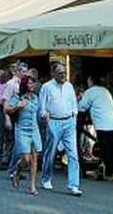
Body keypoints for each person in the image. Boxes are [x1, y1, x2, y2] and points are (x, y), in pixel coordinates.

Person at [39, 62, 82, 197]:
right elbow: (41, 107)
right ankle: (46, 177)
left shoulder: (69, 86)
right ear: (53, 74)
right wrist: (45, 116)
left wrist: (74, 114)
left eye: (65, 72)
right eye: (60, 72)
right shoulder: (46, 87)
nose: (64, 75)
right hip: (54, 123)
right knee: (50, 153)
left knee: (73, 154)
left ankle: (73, 185)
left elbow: (73, 102)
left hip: (69, 122)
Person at [79, 74, 113, 181]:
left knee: (105, 147)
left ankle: (103, 168)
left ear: (91, 81)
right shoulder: (105, 91)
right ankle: (108, 170)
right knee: (111, 147)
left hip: (102, 123)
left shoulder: (90, 92)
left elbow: (81, 107)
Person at [8, 75, 43, 195]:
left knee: (34, 158)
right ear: (24, 85)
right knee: (25, 158)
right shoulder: (18, 97)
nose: (32, 85)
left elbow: (39, 113)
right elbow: (7, 110)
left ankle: (32, 186)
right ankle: (17, 172)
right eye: (29, 83)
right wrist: (17, 107)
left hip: (34, 129)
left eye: (33, 83)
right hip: (22, 129)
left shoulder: (35, 98)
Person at [4, 63, 29, 179]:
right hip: (14, 116)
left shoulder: (25, 84)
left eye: (26, 72)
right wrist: (7, 119)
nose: (25, 74)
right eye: (23, 72)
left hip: (22, 116)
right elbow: (6, 102)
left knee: (19, 144)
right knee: (17, 144)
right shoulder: (10, 84)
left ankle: (16, 169)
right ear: (18, 72)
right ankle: (13, 169)